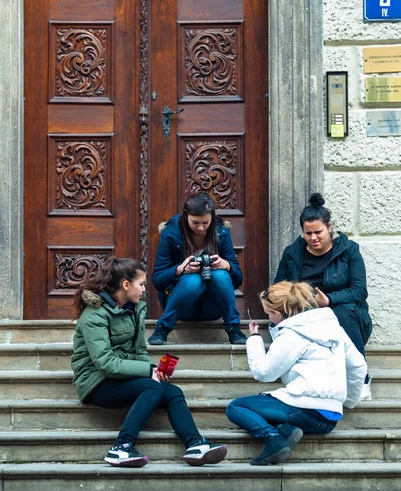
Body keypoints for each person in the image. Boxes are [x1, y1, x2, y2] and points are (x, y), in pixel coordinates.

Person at [71, 257, 228, 468]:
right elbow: (105, 363)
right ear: (126, 285)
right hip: (95, 382)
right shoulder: (95, 315)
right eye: (142, 284)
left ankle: (195, 445)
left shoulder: (132, 309)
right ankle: (121, 447)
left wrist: (155, 368)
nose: (145, 289)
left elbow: (139, 350)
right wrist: (148, 371)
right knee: (153, 388)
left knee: (172, 392)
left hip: (120, 376)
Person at [226, 281, 367, 466]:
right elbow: (358, 366)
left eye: (268, 313)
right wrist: (349, 401)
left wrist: (253, 339)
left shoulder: (292, 334)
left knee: (236, 407)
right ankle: (286, 430)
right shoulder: (334, 328)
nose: (268, 317)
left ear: (278, 313)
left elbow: (264, 373)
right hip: (328, 420)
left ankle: (272, 438)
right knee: (272, 407)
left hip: (304, 409)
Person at [274, 192, 373, 398]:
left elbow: (359, 290)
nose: (313, 238)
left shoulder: (349, 250)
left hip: (341, 312)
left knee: (343, 312)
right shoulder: (292, 253)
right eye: (308, 233)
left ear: (329, 227)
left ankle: (361, 377)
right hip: (304, 314)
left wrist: (329, 301)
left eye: (318, 232)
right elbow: (279, 287)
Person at [148, 192, 246, 345]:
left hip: (212, 307)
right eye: (195, 223)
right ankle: (162, 328)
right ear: (185, 216)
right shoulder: (171, 234)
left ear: (212, 218)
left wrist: (226, 266)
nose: (201, 228)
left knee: (220, 275)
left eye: (206, 223)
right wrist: (180, 270)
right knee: (193, 280)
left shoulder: (221, 232)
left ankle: (234, 328)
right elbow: (157, 280)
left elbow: (237, 280)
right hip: (182, 306)